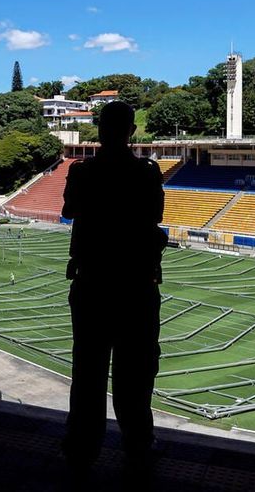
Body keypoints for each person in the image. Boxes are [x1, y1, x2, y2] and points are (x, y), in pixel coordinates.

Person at [60, 100, 166, 468]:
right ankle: (138, 443)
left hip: (92, 282)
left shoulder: (82, 171)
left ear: (101, 131)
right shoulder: (147, 172)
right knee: (135, 373)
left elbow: (69, 210)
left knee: (88, 370)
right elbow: (155, 216)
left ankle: (82, 444)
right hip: (136, 284)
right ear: (131, 131)